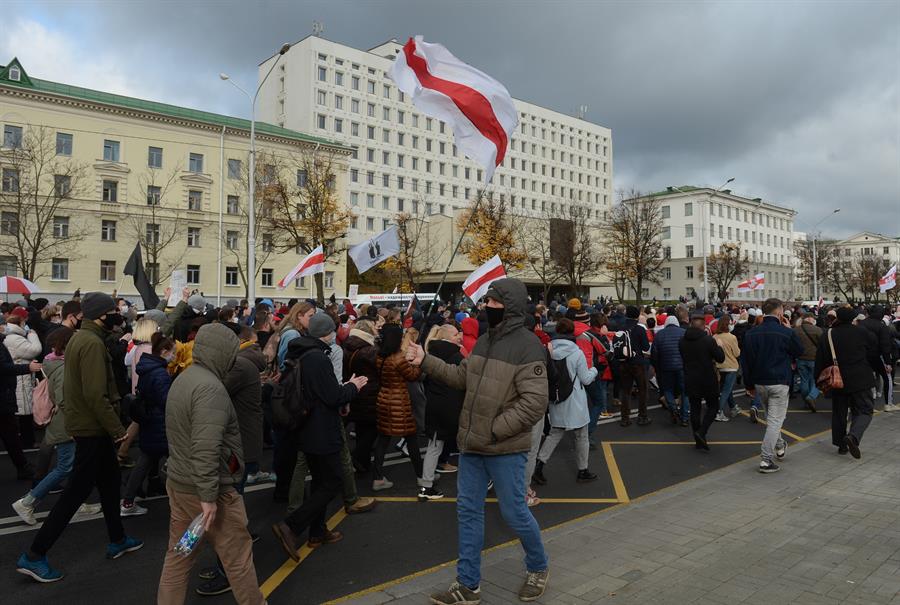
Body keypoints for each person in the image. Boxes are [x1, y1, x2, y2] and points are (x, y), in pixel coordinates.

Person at [407, 278, 550, 604]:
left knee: (514, 514)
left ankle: (538, 567)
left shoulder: (529, 346)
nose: (486, 308)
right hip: (472, 447)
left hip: (504, 447)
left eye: (493, 303)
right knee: (468, 512)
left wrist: (496, 429)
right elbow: (461, 377)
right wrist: (425, 360)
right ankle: (468, 585)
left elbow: (533, 403)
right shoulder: (485, 341)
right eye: (486, 303)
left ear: (509, 307)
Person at [17, 293, 142, 583]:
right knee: (75, 493)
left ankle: (117, 539)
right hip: (92, 429)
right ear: (100, 315)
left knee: (110, 484)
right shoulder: (92, 344)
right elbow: (95, 394)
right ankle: (34, 555)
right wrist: (118, 430)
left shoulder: (81, 339)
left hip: (87, 426)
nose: (117, 315)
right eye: (113, 311)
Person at [157, 323, 264, 604]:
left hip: (180, 485)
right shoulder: (211, 389)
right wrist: (208, 498)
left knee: (179, 555)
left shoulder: (184, 378)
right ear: (224, 354)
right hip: (210, 492)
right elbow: (206, 447)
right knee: (238, 558)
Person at [272, 314, 367, 560]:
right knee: (333, 481)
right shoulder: (318, 358)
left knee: (320, 481)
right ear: (327, 333)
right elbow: (332, 396)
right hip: (321, 429)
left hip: (306, 427)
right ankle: (291, 526)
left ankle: (317, 532)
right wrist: (353, 387)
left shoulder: (302, 351)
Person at [13, 329, 97, 525]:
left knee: (75, 466)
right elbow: (65, 400)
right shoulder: (64, 368)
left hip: (64, 423)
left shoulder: (54, 364)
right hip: (67, 425)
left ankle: (76, 502)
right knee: (65, 467)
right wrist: (79, 424)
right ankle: (27, 502)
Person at [532, 318, 599, 484]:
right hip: (575, 398)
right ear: (572, 333)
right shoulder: (576, 353)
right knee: (581, 435)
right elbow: (585, 379)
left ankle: (539, 465)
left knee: (555, 432)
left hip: (556, 396)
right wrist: (594, 370)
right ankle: (583, 470)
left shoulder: (548, 349)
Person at [741, 298, 804, 473]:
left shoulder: (752, 333)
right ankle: (766, 459)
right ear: (779, 313)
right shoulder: (785, 332)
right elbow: (799, 351)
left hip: (760, 381)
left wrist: (749, 384)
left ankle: (779, 444)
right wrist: (790, 330)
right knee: (775, 421)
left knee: (772, 418)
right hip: (779, 381)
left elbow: (745, 362)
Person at [120, 333, 175, 516]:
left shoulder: (147, 368)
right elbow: (166, 400)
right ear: (164, 351)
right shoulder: (160, 373)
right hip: (161, 423)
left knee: (145, 460)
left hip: (150, 421)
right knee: (176, 459)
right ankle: (185, 499)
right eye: (172, 352)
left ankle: (128, 500)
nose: (173, 356)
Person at [816, 307, 880, 458]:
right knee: (865, 410)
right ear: (853, 319)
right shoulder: (862, 332)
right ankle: (853, 436)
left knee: (839, 412)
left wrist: (817, 380)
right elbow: (873, 352)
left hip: (838, 379)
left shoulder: (828, 334)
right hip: (861, 378)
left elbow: (821, 359)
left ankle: (841, 445)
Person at [372, 323, 423, 491]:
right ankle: (421, 476)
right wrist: (416, 363)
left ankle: (378, 477)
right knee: (412, 438)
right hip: (399, 401)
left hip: (384, 398)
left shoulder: (380, 355)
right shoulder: (398, 357)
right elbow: (413, 376)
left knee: (383, 438)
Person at [419, 324, 465, 501]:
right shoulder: (456, 355)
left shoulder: (430, 353)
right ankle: (486, 481)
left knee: (434, 446)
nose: (459, 336)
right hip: (454, 406)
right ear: (447, 336)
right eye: (455, 334)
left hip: (434, 405)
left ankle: (426, 484)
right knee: (468, 447)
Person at [680, 313, 726, 451]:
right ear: (703, 326)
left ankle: (698, 440)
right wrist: (719, 346)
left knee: (695, 408)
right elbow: (720, 358)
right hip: (707, 378)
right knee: (713, 406)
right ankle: (702, 432)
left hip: (690, 377)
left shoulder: (682, 341)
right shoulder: (708, 340)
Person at [342, 318, 381, 474]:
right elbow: (379, 368)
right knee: (371, 429)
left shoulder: (347, 345)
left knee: (361, 428)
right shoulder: (369, 350)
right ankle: (358, 459)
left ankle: (363, 463)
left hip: (354, 391)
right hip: (370, 392)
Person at [4, 307, 43, 449]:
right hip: (21, 379)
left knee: (20, 413)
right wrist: (32, 335)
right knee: (24, 413)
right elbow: (35, 350)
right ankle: (27, 441)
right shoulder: (15, 338)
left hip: (20, 378)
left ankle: (24, 440)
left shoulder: (12, 336)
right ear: (21, 320)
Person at [615, 305, 652, 426]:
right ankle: (642, 416)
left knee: (626, 391)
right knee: (643, 390)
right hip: (638, 363)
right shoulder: (639, 329)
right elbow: (646, 347)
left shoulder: (620, 328)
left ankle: (625, 418)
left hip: (623, 362)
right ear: (637, 316)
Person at [651, 316, 689, 426]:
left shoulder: (659, 335)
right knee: (685, 391)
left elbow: (655, 353)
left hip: (665, 367)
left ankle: (673, 408)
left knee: (668, 389)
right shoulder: (684, 332)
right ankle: (685, 417)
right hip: (682, 366)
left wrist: (657, 367)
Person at [712, 314, 741, 421]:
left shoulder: (714, 337)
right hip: (731, 367)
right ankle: (719, 412)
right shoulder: (732, 337)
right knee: (726, 390)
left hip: (719, 367)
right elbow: (737, 353)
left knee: (726, 389)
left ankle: (733, 407)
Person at [793, 312, 823, 412]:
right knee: (816, 380)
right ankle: (811, 396)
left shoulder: (795, 330)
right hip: (814, 359)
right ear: (812, 319)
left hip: (801, 358)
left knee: (804, 380)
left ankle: (807, 400)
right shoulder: (818, 330)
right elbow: (822, 345)